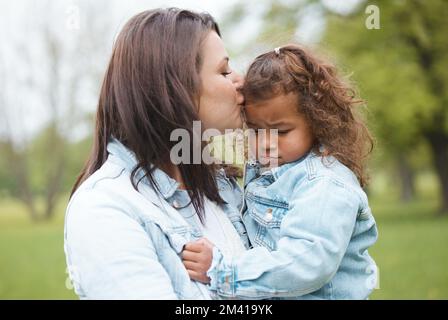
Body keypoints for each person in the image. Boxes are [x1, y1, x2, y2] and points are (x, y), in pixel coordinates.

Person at [64, 8, 248, 299]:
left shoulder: (223, 186)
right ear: (175, 88)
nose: (241, 82)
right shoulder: (105, 208)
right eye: (224, 71)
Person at [182, 44, 379, 299]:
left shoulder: (324, 183)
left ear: (317, 122)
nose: (266, 142)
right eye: (254, 130)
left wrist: (222, 271)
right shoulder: (272, 168)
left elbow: (305, 265)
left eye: (282, 131)